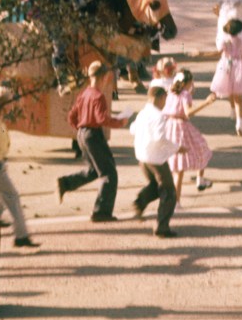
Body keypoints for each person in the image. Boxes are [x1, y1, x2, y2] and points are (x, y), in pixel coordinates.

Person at [57, 60, 132, 222]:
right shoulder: (98, 96)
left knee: (93, 170)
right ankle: (101, 211)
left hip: (82, 135)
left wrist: (80, 128)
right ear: (104, 77)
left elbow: (71, 116)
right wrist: (120, 122)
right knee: (109, 173)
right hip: (93, 135)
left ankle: (66, 183)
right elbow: (101, 118)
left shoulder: (84, 93)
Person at [0, 89, 38, 249]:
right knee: (13, 198)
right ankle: (21, 235)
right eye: (11, 103)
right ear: (5, 106)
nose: (13, 107)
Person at [129, 84, 185, 237]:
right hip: (155, 159)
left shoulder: (142, 112)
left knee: (155, 185)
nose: (165, 103)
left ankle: (139, 202)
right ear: (160, 98)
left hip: (142, 156)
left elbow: (132, 129)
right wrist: (176, 148)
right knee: (168, 191)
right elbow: (159, 138)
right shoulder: (159, 116)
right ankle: (162, 226)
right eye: (165, 99)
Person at [210, 17, 242, 136]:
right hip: (238, 66)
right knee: (238, 96)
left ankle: (232, 110)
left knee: (228, 89)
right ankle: (239, 122)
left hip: (225, 66)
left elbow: (219, 52)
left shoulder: (225, 41)